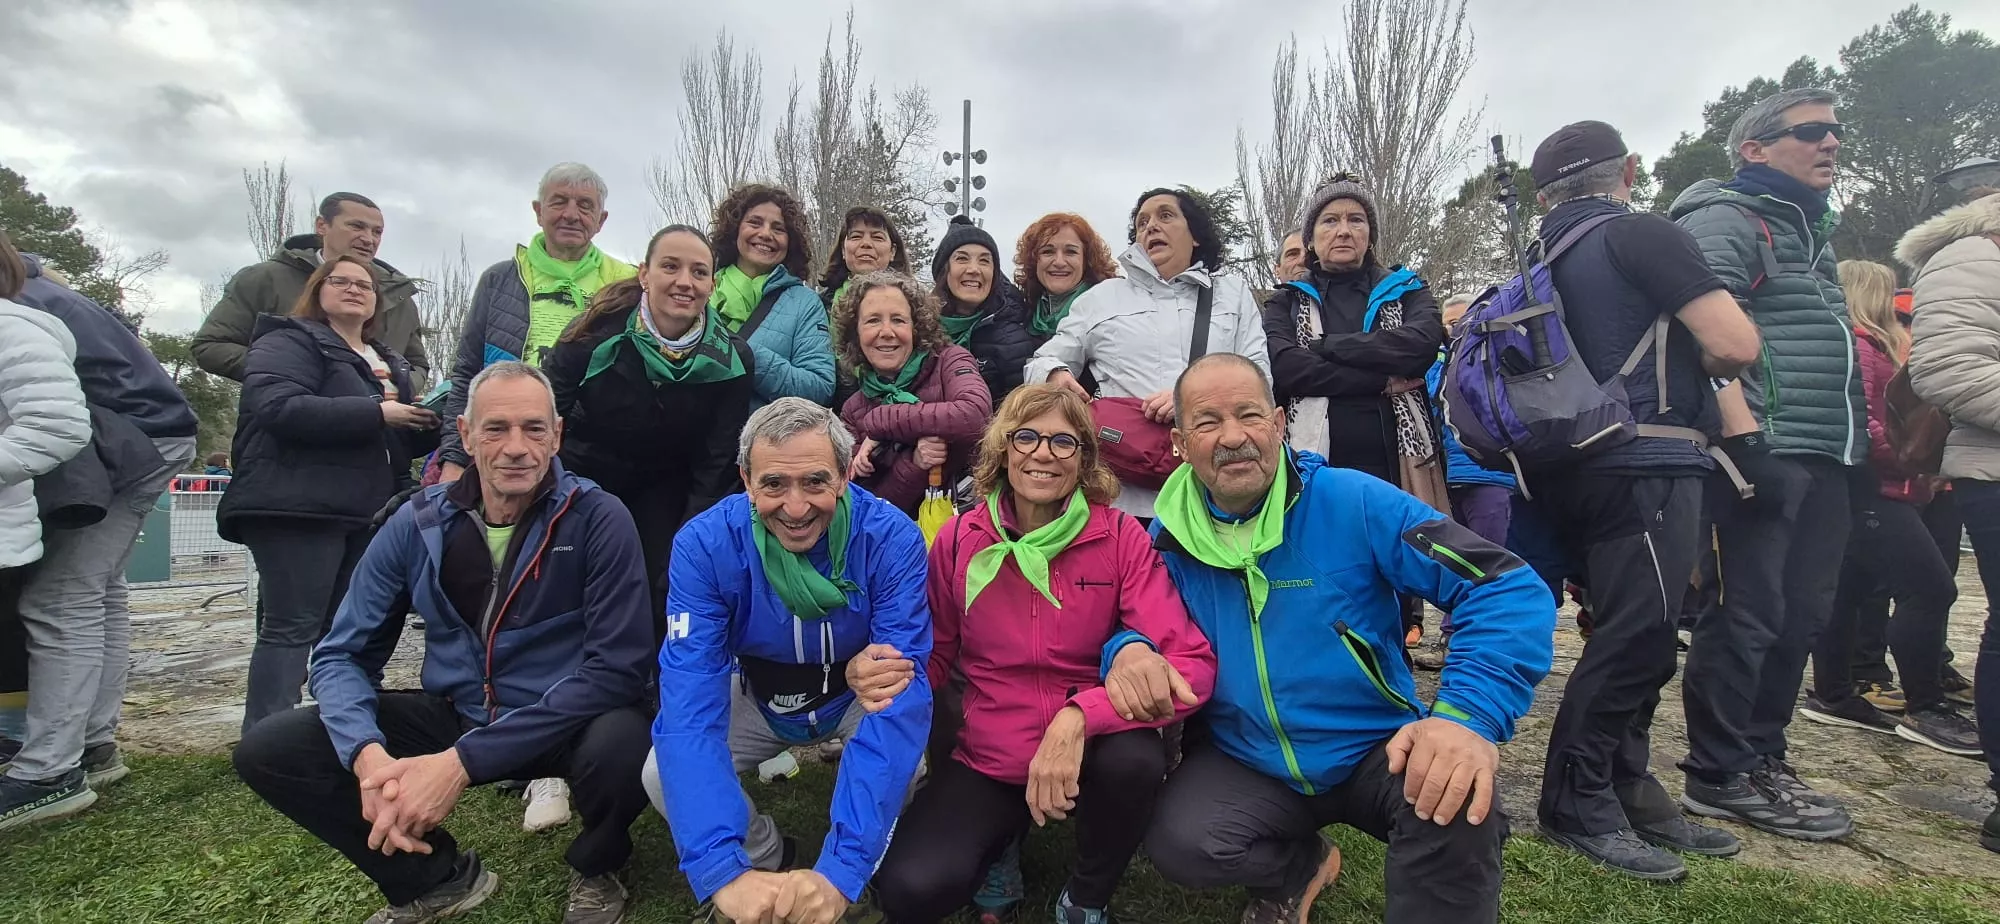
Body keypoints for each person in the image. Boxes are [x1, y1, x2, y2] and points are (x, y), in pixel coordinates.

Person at [1113, 353, 1551, 924]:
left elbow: (1504, 587)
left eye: (1249, 415)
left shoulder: (1355, 500)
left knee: (1459, 794)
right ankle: (1301, 869)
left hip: (1375, 746)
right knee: (1183, 844)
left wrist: (1464, 718)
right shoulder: (1166, 538)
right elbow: (1131, 625)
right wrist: (1128, 651)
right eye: (1208, 422)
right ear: (1179, 442)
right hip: (1246, 756)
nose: (1233, 437)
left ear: (1277, 423)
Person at [232, 362, 657, 924]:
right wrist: (367, 755)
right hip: (461, 711)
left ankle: (598, 867)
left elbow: (617, 670)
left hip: (565, 723)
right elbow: (341, 655)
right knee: (272, 747)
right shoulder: (416, 522)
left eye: (534, 429)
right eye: (496, 428)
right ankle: (438, 878)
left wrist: (458, 764)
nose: (516, 448)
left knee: (627, 740)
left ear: (556, 435)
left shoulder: (599, 517)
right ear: (465, 433)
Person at [856, 384, 1216, 924]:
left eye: (1063, 442)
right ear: (1002, 449)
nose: (1042, 453)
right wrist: (884, 672)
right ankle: (1004, 838)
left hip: (1094, 742)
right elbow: (933, 655)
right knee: (910, 889)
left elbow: (1189, 665)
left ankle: (1086, 898)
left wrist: (1080, 717)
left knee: (1136, 760)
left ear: (1085, 460)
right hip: (990, 751)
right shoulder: (959, 539)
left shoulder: (1120, 537)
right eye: (1026, 437)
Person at [1517, 121, 1764, 880]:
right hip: (1646, 455)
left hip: (1565, 463)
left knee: (1628, 630)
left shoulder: (1539, 254)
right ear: (1629, 170)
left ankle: (1627, 782)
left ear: (1545, 192)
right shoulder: (1641, 235)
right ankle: (1577, 796)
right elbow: (1734, 343)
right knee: (1641, 634)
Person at [645, 398, 931, 924]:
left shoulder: (891, 538)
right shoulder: (704, 545)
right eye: (774, 484)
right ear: (745, 479)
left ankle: (850, 870)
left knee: (907, 761)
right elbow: (689, 699)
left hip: (850, 697)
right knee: (662, 771)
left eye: (815, 482)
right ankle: (767, 859)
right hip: (758, 697)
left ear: (845, 476)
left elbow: (900, 697)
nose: (795, 508)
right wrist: (722, 871)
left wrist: (841, 873)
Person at [1669, 88, 1867, 840]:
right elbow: (1696, 331)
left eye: (1835, 132)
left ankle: (1762, 756)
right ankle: (1718, 771)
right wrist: (1743, 439)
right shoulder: (1728, 218)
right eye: (1810, 132)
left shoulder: (1811, 232)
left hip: (1823, 449)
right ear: (1753, 149)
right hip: (1762, 448)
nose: (1830, 145)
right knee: (1747, 614)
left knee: (1800, 615)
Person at [0, 250, 197, 830]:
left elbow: (53, 420)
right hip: (149, 433)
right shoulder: (46, 294)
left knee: (62, 598)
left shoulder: (22, 311)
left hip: (134, 442)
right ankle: (90, 745)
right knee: (96, 591)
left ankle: (49, 770)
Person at [216, 255, 439, 736]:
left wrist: (432, 423)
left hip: (365, 507)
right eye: (341, 281)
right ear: (317, 288)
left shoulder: (384, 357)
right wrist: (380, 413)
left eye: (366, 285)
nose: (355, 289)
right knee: (291, 626)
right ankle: (267, 733)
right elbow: (279, 407)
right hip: (297, 504)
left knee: (349, 628)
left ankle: (341, 723)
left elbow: (390, 436)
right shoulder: (286, 340)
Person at [543, 224, 756, 638]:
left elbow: (717, 461)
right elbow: (547, 417)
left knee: (663, 576)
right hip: (585, 473)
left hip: (665, 483)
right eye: (670, 267)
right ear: (645, 274)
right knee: (578, 573)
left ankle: (651, 682)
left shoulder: (734, 358)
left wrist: (692, 541)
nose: (684, 282)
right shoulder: (591, 336)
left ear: (712, 283)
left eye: (698, 272)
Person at [1265, 173, 1448, 650]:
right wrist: (1378, 381)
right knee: (1318, 565)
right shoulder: (1285, 301)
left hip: (1396, 461)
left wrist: (1329, 347)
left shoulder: (1407, 290)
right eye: (1329, 220)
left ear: (1370, 234)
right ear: (1311, 238)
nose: (1343, 230)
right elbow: (1287, 368)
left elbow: (1420, 346)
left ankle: (1389, 669)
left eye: (1355, 219)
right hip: (1313, 465)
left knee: (1393, 569)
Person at [1801, 259, 1974, 756]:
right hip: (1879, 488)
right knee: (1930, 588)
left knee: (1849, 592)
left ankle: (1833, 693)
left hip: (1875, 488)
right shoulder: (1860, 344)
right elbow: (1867, 420)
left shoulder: (1866, 343)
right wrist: (1908, 462)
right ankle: (1925, 704)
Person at [1025, 187, 1271, 519]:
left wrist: (1190, 398)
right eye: (1142, 222)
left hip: (1217, 490)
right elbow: (1040, 361)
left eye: (1165, 216)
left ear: (1195, 234)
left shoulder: (1233, 294)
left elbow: (1259, 377)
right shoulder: (1101, 299)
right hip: (1124, 498)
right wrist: (1055, 375)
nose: (1151, 226)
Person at [1903, 185, 2000, 851]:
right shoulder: (1971, 255)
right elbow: (1947, 369)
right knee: (1927, 587)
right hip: (1983, 469)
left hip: (1929, 484)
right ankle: (1912, 697)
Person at [436, 163, 637, 483]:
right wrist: (455, 459)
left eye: (585, 205)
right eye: (559, 201)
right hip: (506, 445)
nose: (571, 214)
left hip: (593, 455)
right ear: (538, 210)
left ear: (601, 220)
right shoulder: (500, 279)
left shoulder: (627, 284)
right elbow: (466, 374)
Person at [0, 230, 91, 763]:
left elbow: (54, 424)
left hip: (7, 531)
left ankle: (34, 758)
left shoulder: (12, 328)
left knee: (53, 615)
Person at [194, 192, 430, 386]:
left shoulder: (398, 297)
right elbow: (211, 346)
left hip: (380, 434)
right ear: (322, 226)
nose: (368, 239)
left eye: (377, 232)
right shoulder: (265, 279)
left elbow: (417, 365)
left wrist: (394, 385)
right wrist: (289, 372)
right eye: (357, 226)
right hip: (288, 429)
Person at [833, 271, 991, 515]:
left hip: (967, 523)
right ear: (855, 334)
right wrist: (915, 463)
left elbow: (976, 415)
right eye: (873, 320)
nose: (886, 332)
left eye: (898, 320)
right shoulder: (853, 411)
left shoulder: (950, 360)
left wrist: (881, 422)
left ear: (917, 328)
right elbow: (869, 507)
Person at [708, 183, 837, 408]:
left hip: (763, 440)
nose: (766, 234)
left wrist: (746, 354)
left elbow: (819, 387)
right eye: (755, 222)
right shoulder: (700, 287)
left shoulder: (805, 304)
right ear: (735, 229)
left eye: (778, 229)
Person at [820, 206, 914, 409]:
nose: (866, 244)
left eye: (877, 237)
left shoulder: (917, 307)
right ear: (843, 250)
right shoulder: (818, 306)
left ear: (893, 251)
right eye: (856, 236)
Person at [935, 216, 1036, 401]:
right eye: (962, 259)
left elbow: (1019, 413)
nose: (974, 269)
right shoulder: (919, 330)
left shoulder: (1012, 340)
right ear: (944, 271)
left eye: (984, 261)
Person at [1014, 212, 1121, 349]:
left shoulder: (1110, 315)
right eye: (1048, 251)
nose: (1059, 262)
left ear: (1086, 260)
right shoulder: (1021, 316)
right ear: (1034, 261)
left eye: (1070, 252)